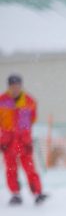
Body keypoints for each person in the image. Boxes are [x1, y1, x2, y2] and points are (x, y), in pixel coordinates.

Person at [0, 74, 46, 205]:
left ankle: (37, 193)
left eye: (17, 86)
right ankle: (15, 194)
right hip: (7, 143)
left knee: (30, 168)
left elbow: (33, 119)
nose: (15, 89)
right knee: (10, 169)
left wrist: (24, 134)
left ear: (21, 86)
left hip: (23, 142)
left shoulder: (29, 101)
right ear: (9, 87)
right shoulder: (2, 101)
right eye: (12, 86)